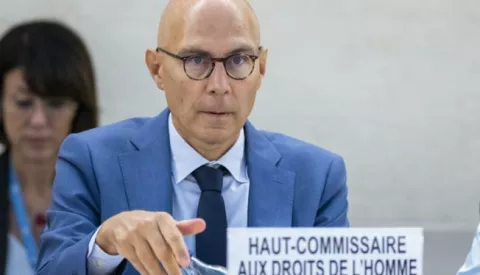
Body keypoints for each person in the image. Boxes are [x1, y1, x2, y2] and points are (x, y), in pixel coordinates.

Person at [37, 0, 350, 274]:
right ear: (156, 69)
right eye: (196, 60)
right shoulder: (92, 159)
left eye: (238, 60)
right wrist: (103, 244)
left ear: (262, 68)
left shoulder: (318, 176)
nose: (219, 85)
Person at [0, 20, 99, 275]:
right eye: (23, 102)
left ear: (79, 109)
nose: (38, 121)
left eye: (55, 103)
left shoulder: (110, 194)